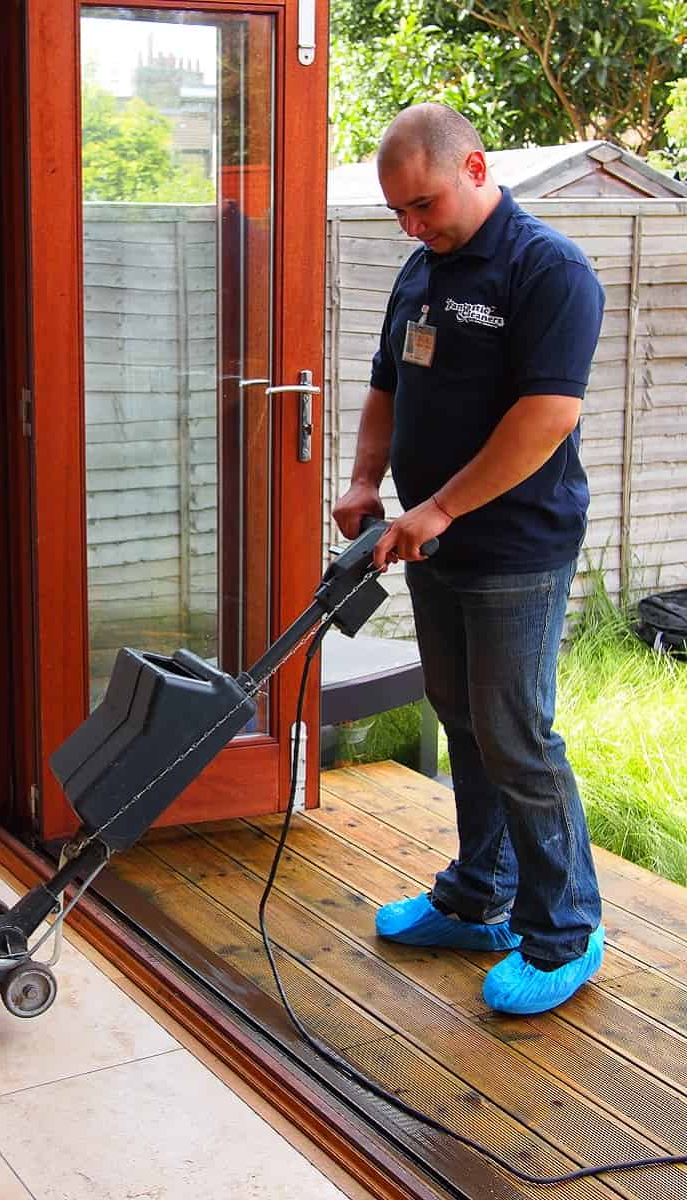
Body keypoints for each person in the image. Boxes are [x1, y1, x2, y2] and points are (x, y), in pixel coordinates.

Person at [333, 103, 605, 1016]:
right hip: (431, 539)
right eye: (398, 212)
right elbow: (387, 382)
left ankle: (565, 928)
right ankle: (480, 899)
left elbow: (547, 416)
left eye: (423, 203)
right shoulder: (422, 270)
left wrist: (441, 506)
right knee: (462, 718)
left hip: (515, 546)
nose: (412, 225)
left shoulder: (548, 269)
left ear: (477, 167)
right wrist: (367, 479)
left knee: (516, 733)